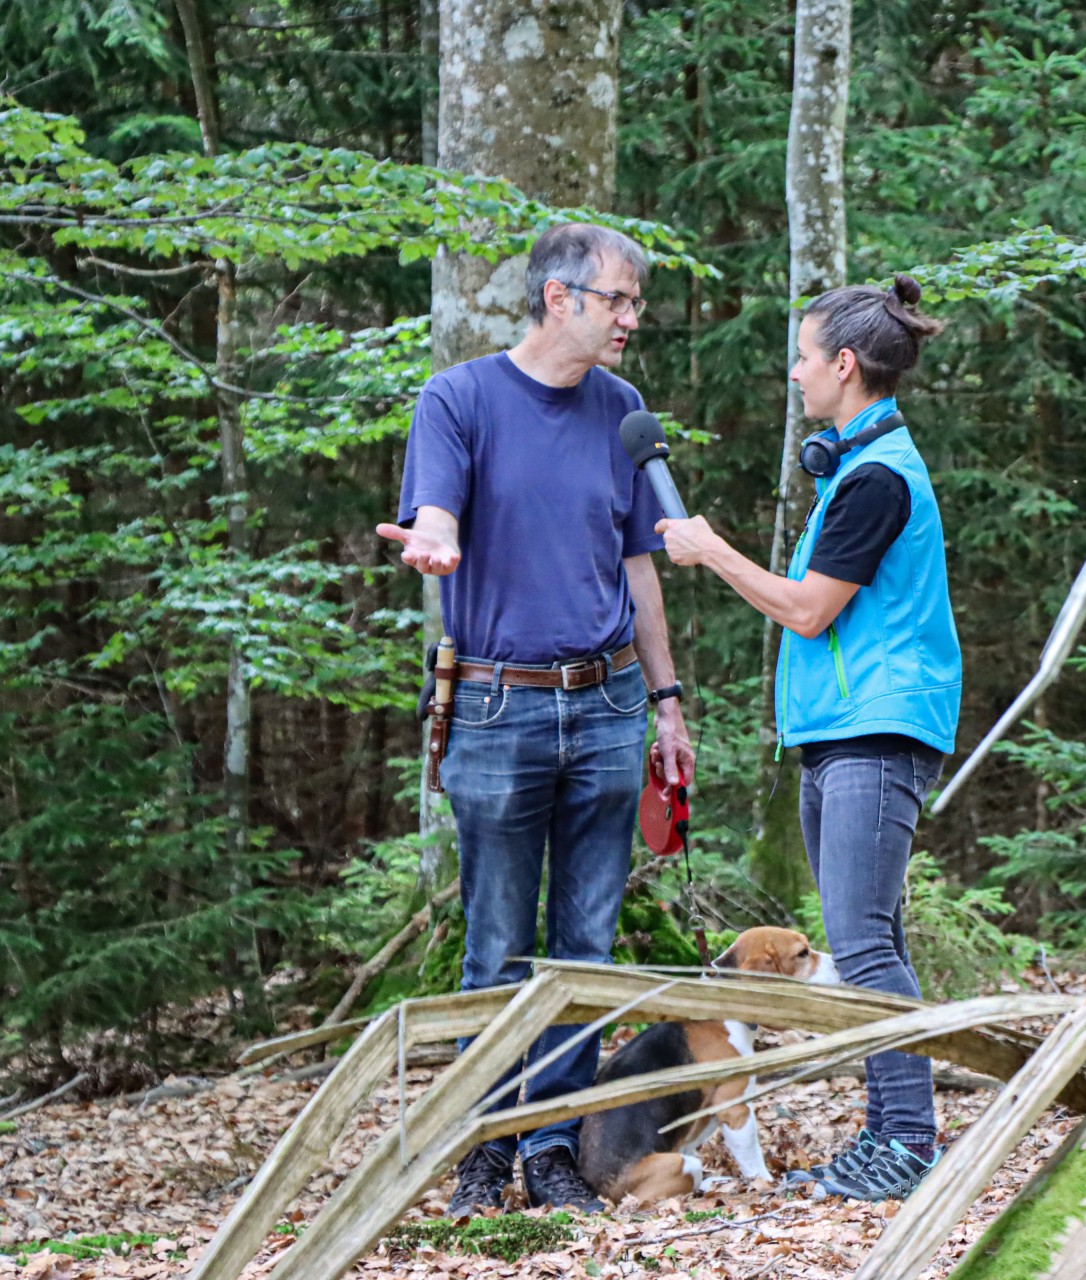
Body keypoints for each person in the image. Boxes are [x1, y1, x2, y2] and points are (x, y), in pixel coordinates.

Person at [376, 223, 696, 1217]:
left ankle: (556, 1149)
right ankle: (486, 1143)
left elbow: (639, 566)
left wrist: (667, 701)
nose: (632, 319)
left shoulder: (624, 410)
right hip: (495, 703)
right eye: (619, 301)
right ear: (560, 298)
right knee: (495, 948)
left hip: (604, 708)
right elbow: (435, 512)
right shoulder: (459, 398)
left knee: (584, 950)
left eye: (635, 302)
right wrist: (432, 544)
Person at [655, 273, 960, 1203]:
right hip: (842, 732)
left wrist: (710, 550)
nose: (792, 375)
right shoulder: (856, 465)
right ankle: (891, 1137)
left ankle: (905, 1142)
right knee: (871, 936)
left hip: (879, 728)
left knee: (864, 946)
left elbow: (808, 611)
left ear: (843, 363)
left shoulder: (876, 478)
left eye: (802, 356)